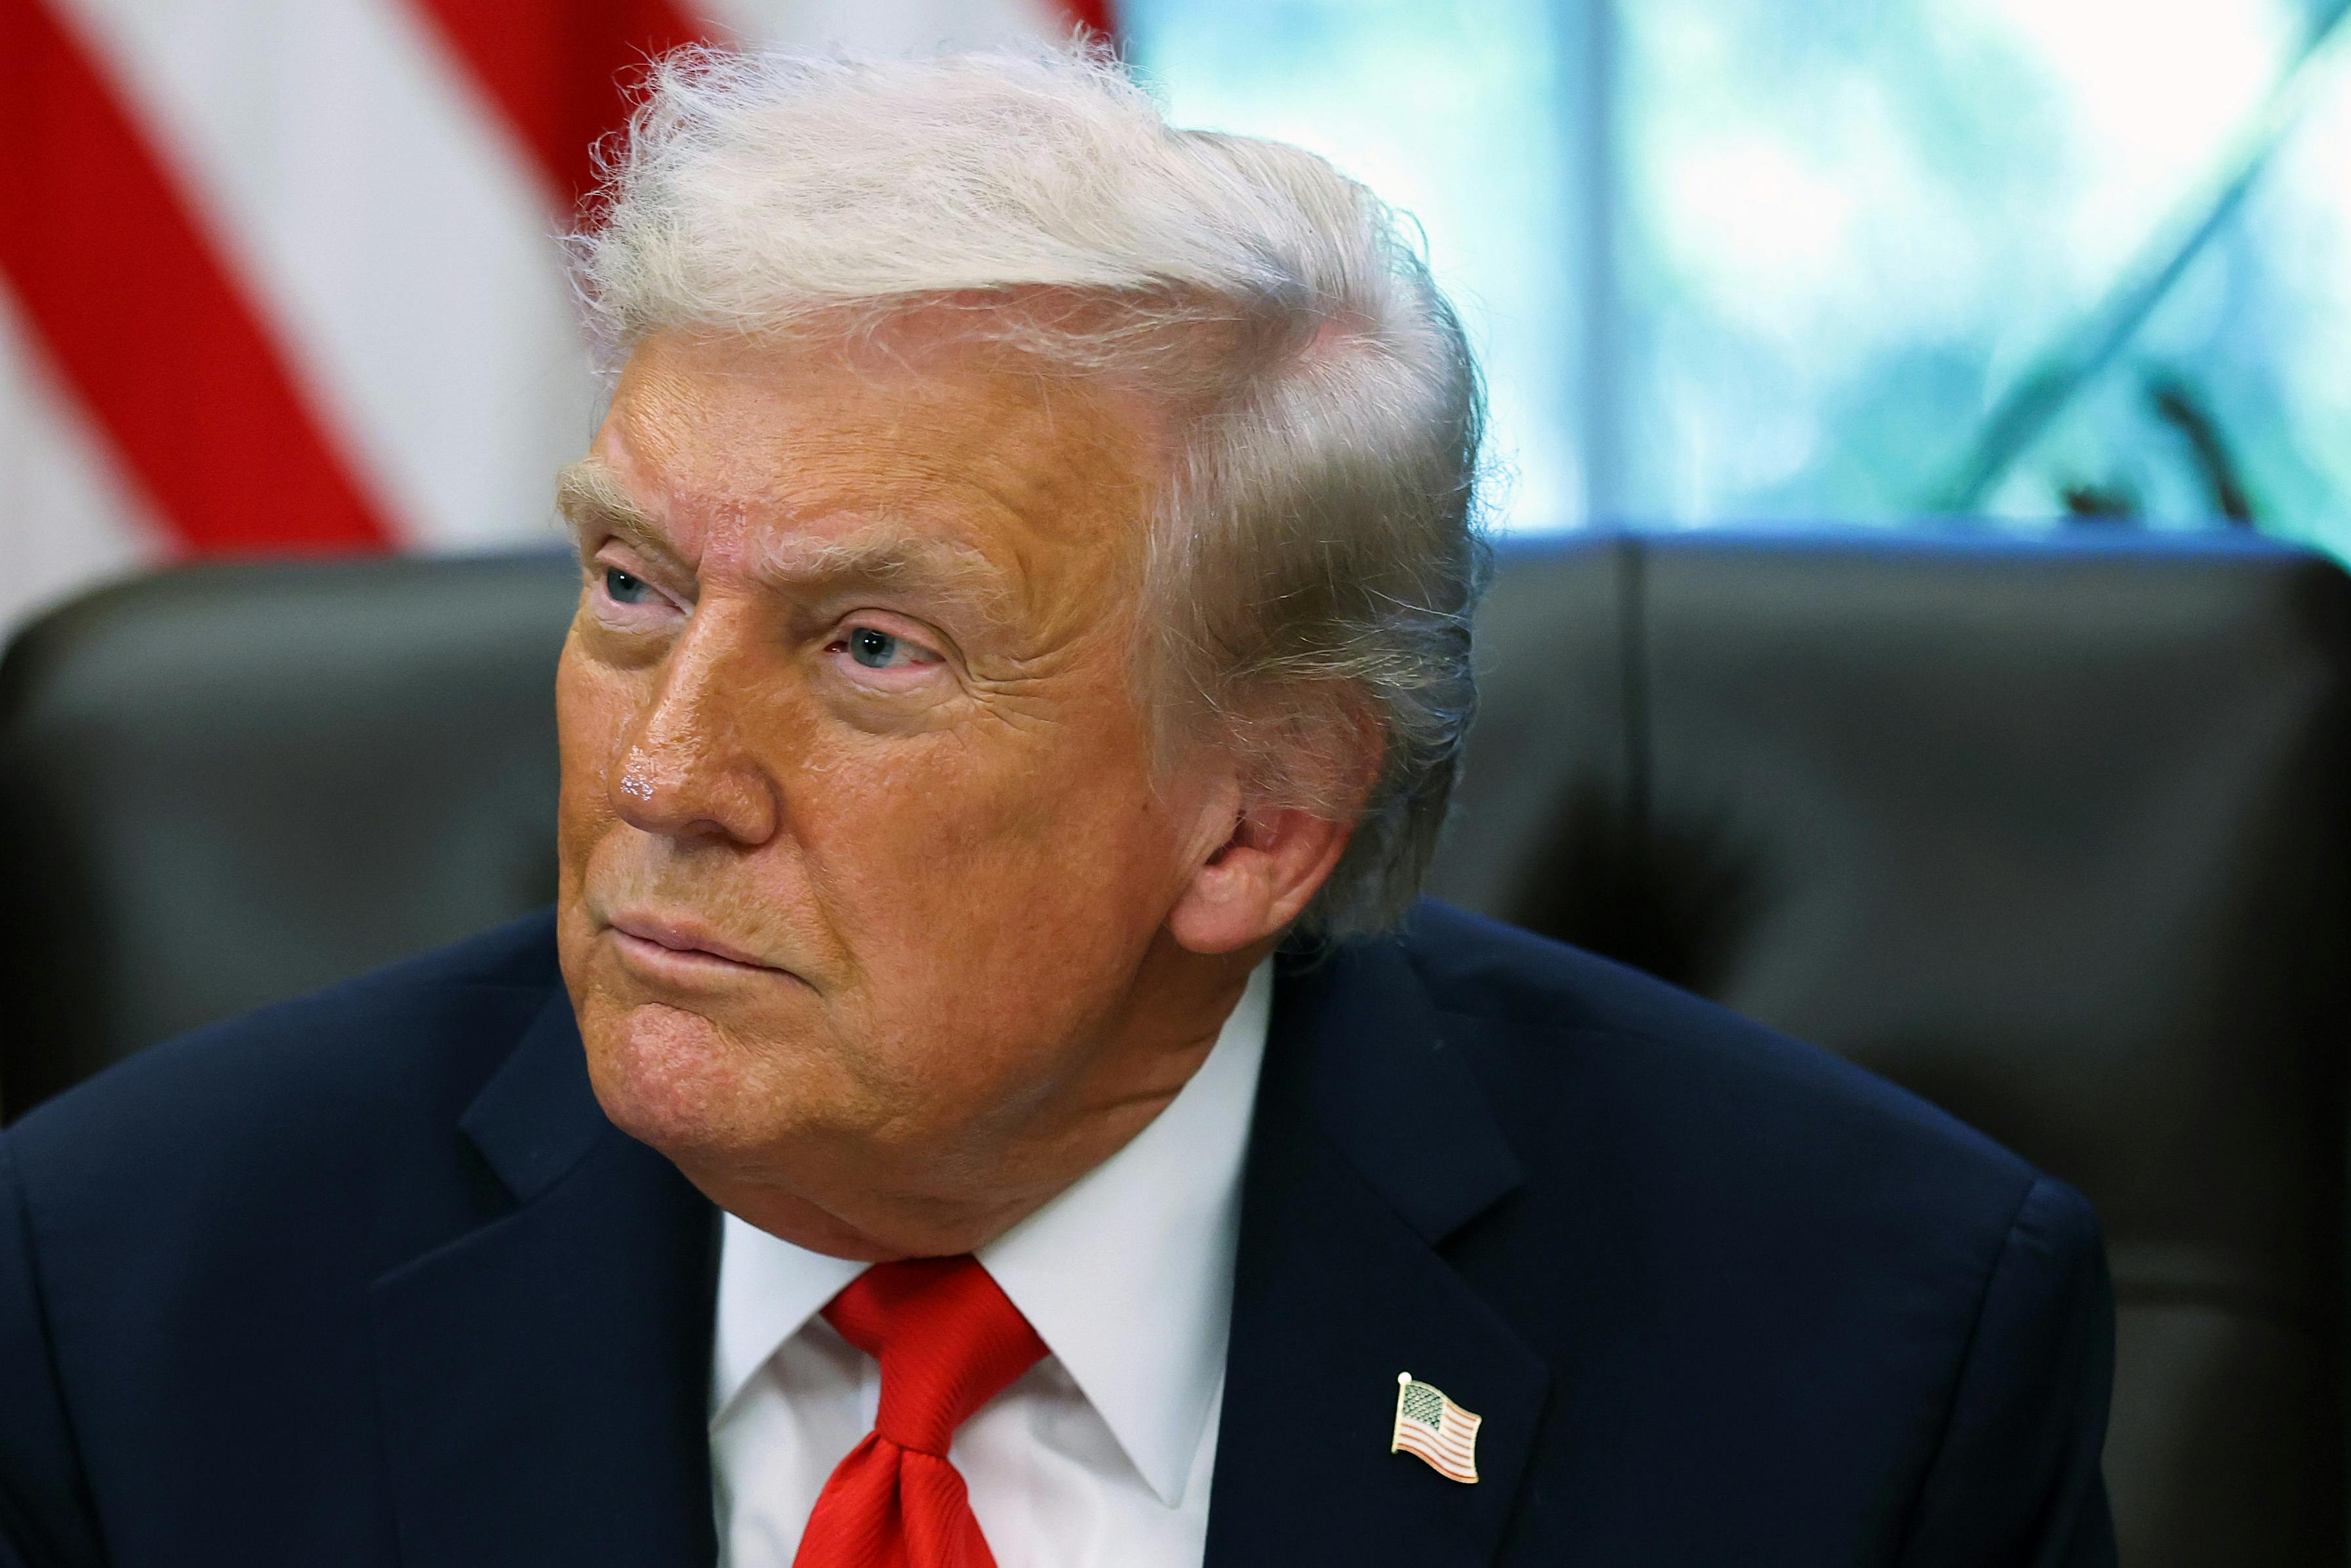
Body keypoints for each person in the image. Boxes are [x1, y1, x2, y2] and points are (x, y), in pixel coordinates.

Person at [0, 45, 2114, 1568]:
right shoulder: (126, 1297)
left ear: (1257, 824)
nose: (664, 772)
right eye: (633, 588)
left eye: (871, 649)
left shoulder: (1855, 1358)